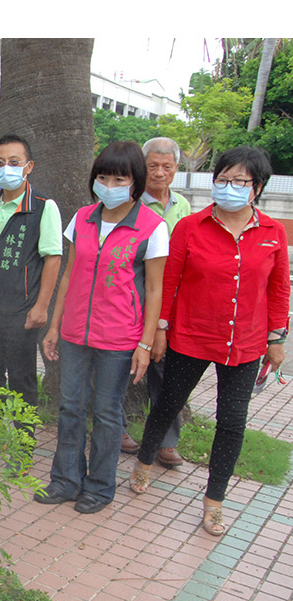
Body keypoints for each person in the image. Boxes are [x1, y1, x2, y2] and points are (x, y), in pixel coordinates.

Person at [125, 146, 289, 535]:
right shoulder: (192, 227)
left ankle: (214, 500)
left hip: (245, 344)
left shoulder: (272, 232)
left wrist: (276, 337)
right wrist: (160, 330)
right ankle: (145, 461)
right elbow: (169, 283)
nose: (229, 188)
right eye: (223, 180)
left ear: (258, 187)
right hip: (191, 337)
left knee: (232, 423)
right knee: (167, 405)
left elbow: (280, 288)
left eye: (239, 182)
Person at [36, 141, 169, 514]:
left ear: (135, 182)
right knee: (70, 407)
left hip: (120, 337)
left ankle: (99, 486)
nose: (109, 185)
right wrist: (53, 325)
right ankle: (65, 480)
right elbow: (68, 276)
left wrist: (145, 343)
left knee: (107, 412)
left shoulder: (152, 227)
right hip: (76, 332)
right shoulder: (82, 217)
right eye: (103, 177)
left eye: (119, 178)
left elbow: (156, 289)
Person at [0, 134, 62, 432]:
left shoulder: (44, 207)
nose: (7, 168)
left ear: (28, 166)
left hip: (21, 310)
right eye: (0, 163)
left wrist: (42, 307)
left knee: (21, 378)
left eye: (14, 162)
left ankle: (23, 443)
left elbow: (53, 259)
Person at [120, 138, 192, 466]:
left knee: (167, 376)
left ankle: (166, 441)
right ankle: (117, 427)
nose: (159, 173)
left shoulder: (184, 207)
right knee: (120, 368)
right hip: (132, 301)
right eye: (153, 166)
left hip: (170, 307)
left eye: (167, 167)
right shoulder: (130, 205)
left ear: (176, 169)